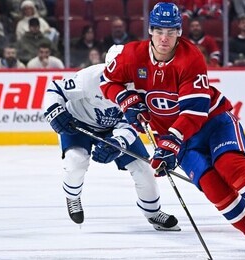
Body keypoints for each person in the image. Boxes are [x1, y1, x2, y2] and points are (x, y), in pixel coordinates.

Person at [99, 3, 245, 259]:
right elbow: (107, 80)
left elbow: (195, 110)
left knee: (230, 167)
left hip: (213, 124)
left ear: (179, 32)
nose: (164, 37)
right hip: (176, 139)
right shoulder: (130, 56)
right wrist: (126, 100)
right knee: (213, 186)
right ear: (149, 30)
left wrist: (169, 144)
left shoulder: (190, 57)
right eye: (159, 30)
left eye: (170, 31)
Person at [42, 45, 180, 231]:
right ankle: (73, 197)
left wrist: (119, 142)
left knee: (143, 169)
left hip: (115, 129)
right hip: (79, 123)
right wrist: (54, 111)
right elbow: (56, 89)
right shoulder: (89, 77)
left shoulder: (140, 88)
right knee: (76, 161)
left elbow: (134, 123)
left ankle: (153, 212)